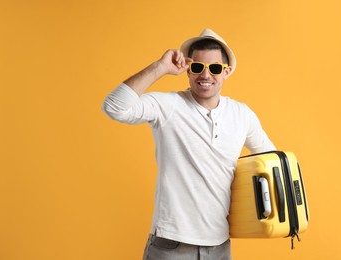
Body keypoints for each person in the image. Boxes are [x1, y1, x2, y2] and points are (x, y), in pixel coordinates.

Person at [102, 28, 276, 260]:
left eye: (214, 68)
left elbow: (273, 160)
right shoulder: (168, 106)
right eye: (197, 67)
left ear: (227, 71)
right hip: (171, 245)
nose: (205, 75)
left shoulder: (241, 115)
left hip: (219, 246)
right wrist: (160, 67)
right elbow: (114, 107)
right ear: (188, 70)